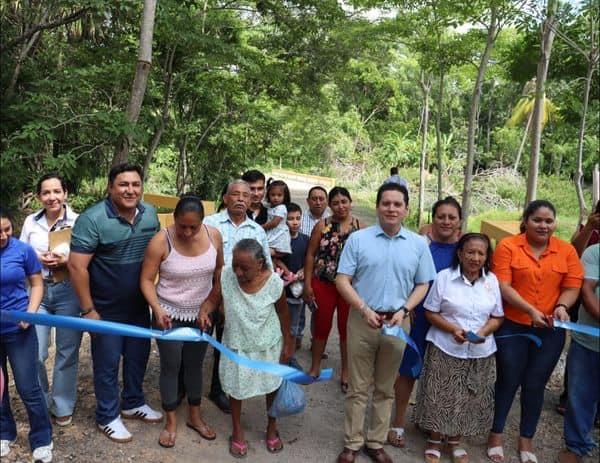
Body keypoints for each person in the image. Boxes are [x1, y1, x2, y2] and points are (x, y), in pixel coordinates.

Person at [335, 183, 436, 463]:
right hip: (362, 319)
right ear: (378, 206)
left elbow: (423, 283)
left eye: (397, 204)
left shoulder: (417, 244)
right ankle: (352, 443)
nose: (391, 208)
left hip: (397, 321)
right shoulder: (359, 239)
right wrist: (363, 308)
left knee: (385, 386)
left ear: (406, 209)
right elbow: (342, 279)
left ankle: (376, 442)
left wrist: (404, 310)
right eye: (386, 203)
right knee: (357, 386)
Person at [68, 163, 162, 443]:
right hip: (104, 308)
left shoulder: (150, 214)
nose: (130, 190)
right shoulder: (92, 219)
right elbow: (76, 267)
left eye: (135, 184)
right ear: (111, 188)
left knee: (138, 356)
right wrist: (88, 309)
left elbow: (156, 255)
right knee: (107, 363)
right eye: (123, 185)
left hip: (138, 305)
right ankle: (107, 416)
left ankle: (133, 402)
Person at [487, 200, 584, 463]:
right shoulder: (508, 246)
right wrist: (530, 310)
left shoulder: (566, 251)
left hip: (550, 331)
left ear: (555, 224)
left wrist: (563, 306)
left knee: (535, 384)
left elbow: (573, 285)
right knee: (508, 379)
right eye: (537, 220)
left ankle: (526, 438)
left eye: (548, 221)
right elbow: (503, 285)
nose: (543, 225)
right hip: (513, 326)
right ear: (526, 221)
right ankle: (495, 434)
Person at [139, 195, 224, 448]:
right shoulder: (160, 241)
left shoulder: (214, 236)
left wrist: (209, 305)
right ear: (174, 219)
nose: (187, 232)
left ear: (202, 222)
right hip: (169, 315)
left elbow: (220, 272)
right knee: (171, 366)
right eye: (182, 226)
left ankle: (195, 416)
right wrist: (156, 309)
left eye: (193, 227)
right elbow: (146, 280)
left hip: (202, 315)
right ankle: (171, 421)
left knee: (194, 366)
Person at [198, 239, 294, 459]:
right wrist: (205, 311)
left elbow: (283, 314)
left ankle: (272, 426)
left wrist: (288, 342)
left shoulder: (274, 284)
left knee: (271, 386)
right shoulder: (226, 276)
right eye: (236, 266)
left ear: (260, 264)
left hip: (266, 345)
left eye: (245, 268)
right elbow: (212, 300)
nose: (238, 273)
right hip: (236, 346)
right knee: (236, 388)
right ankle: (237, 430)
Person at [414, 233, 504, 463]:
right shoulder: (444, 277)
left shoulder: (491, 281)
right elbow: (430, 312)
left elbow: (497, 316)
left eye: (481, 253)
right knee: (440, 395)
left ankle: (455, 440)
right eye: (470, 252)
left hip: (479, 351)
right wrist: (452, 329)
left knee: (468, 396)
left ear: (487, 256)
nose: (475, 257)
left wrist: (482, 333)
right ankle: (435, 439)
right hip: (445, 346)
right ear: (460, 253)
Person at [389, 196, 462, 448]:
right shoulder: (420, 246)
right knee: (408, 371)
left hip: (448, 324)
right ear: (433, 220)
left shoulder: (464, 251)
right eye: (441, 216)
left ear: (460, 221)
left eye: (452, 217)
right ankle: (397, 422)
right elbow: (406, 277)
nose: (446, 221)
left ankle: (430, 421)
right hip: (418, 318)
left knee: (441, 375)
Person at [203, 180, 272, 414]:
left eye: (246, 195)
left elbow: (266, 269)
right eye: (236, 194)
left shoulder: (257, 231)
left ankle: (218, 389)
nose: (241, 199)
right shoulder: (209, 224)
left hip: (238, 302)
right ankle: (185, 388)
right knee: (198, 342)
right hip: (206, 294)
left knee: (226, 345)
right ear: (225, 198)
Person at [19, 173, 81, 427]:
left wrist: (67, 260)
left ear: (65, 193)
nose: (52, 197)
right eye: (46, 192)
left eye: (57, 191)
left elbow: (87, 254)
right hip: (38, 291)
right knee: (36, 352)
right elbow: (19, 252)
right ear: (39, 196)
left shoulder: (79, 221)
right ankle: (41, 401)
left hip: (69, 290)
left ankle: (62, 404)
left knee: (67, 351)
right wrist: (37, 258)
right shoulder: (30, 222)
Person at [0, 207, 54, 463]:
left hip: (18, 330)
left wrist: (29, 314)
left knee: (28, 387)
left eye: (7, 229)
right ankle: (4, 433)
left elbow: (36, 283)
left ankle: (42, 439)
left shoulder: (22, 250)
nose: (3, 235)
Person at [303, 187, 362, 393]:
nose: (340, 206)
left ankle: (346, 371)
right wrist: (307, 284)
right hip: (324, 283)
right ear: (330, 205)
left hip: (350, 288)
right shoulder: (322, 226)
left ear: (351, 202)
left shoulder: (360, 228)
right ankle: (315, 366)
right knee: (322, 325)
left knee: (347, 329)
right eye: (336, 203)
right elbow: (310, 255)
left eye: (344, 201)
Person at [556, 200, 600, 415]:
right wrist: (590, 227)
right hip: (578, 295)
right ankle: (568, 394)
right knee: (580, 346)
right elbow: (571, 254)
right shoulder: (588, 233)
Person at [558, 243, 599, 463]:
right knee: (580, 397)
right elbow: (586, 289)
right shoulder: (594, 252)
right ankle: (576, 446)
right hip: (589, 342)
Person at [298, 185, 330, 351]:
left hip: (321, 273)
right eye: (314, 199)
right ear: (308, 201)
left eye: (321, 199)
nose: (318, 202)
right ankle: (296, 337)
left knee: (319, 310)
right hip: (298, 271)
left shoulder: (332, 221)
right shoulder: (299, 218)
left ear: (326, 201)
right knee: (298, 305)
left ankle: (316, 342)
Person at [282, 202, 310, 370]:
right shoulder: (279, 240)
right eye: (290, 219)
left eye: (297, 218)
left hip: (296, 292)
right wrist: (286, 272)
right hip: (281, 290)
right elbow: (275, 258)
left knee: (293, 326)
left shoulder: (305, 240)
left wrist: (302, 271)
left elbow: (310, 261)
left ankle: (289, 357)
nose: (294, 222)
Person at [262, 179, 292, 257]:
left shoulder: (281, 208)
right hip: (272, 233)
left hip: (278, 234)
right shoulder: (269, 206)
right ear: (268, 195)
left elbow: (274, 223)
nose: (276, 198)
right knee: (272, 257)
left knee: (270, 252)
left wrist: (261, 227)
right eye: (273, 195)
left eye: (279, 195)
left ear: (285, 196)